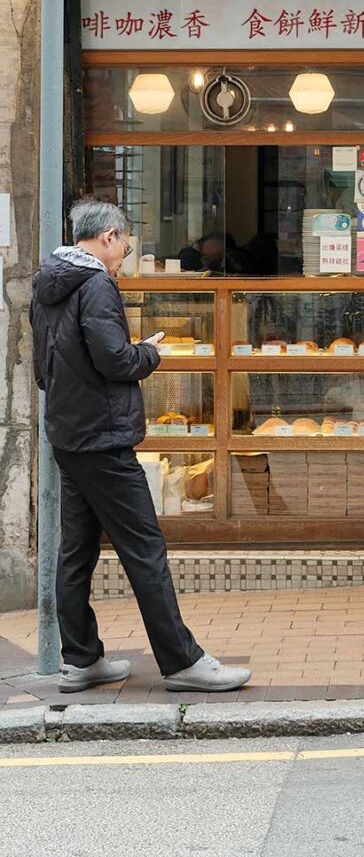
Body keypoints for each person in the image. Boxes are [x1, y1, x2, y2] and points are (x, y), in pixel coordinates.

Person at [30, 198, 251, 692]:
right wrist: (151, 351)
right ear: (108, 236)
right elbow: (115, 360)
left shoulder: (47, 283)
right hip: (105, 439)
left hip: (69, 434)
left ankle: (81, 659)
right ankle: (182, 662)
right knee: (145, 550)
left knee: (76, 551)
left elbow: (45, 367)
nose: (126, 250)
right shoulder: (97, 285)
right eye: (125, 241)